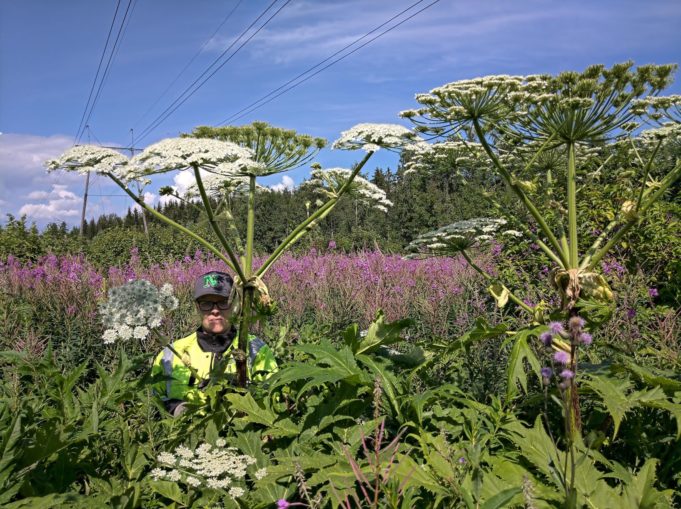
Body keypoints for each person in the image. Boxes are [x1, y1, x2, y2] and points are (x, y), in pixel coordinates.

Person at [152, 270, 278, 416]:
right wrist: (177, 409)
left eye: (223, 302)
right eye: (206, 303)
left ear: (235, 304)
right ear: (197, 307)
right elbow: (150, 401)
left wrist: (242, 397)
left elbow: (274, 398)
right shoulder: (171, 353)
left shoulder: (257, 349)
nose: (215, 311)